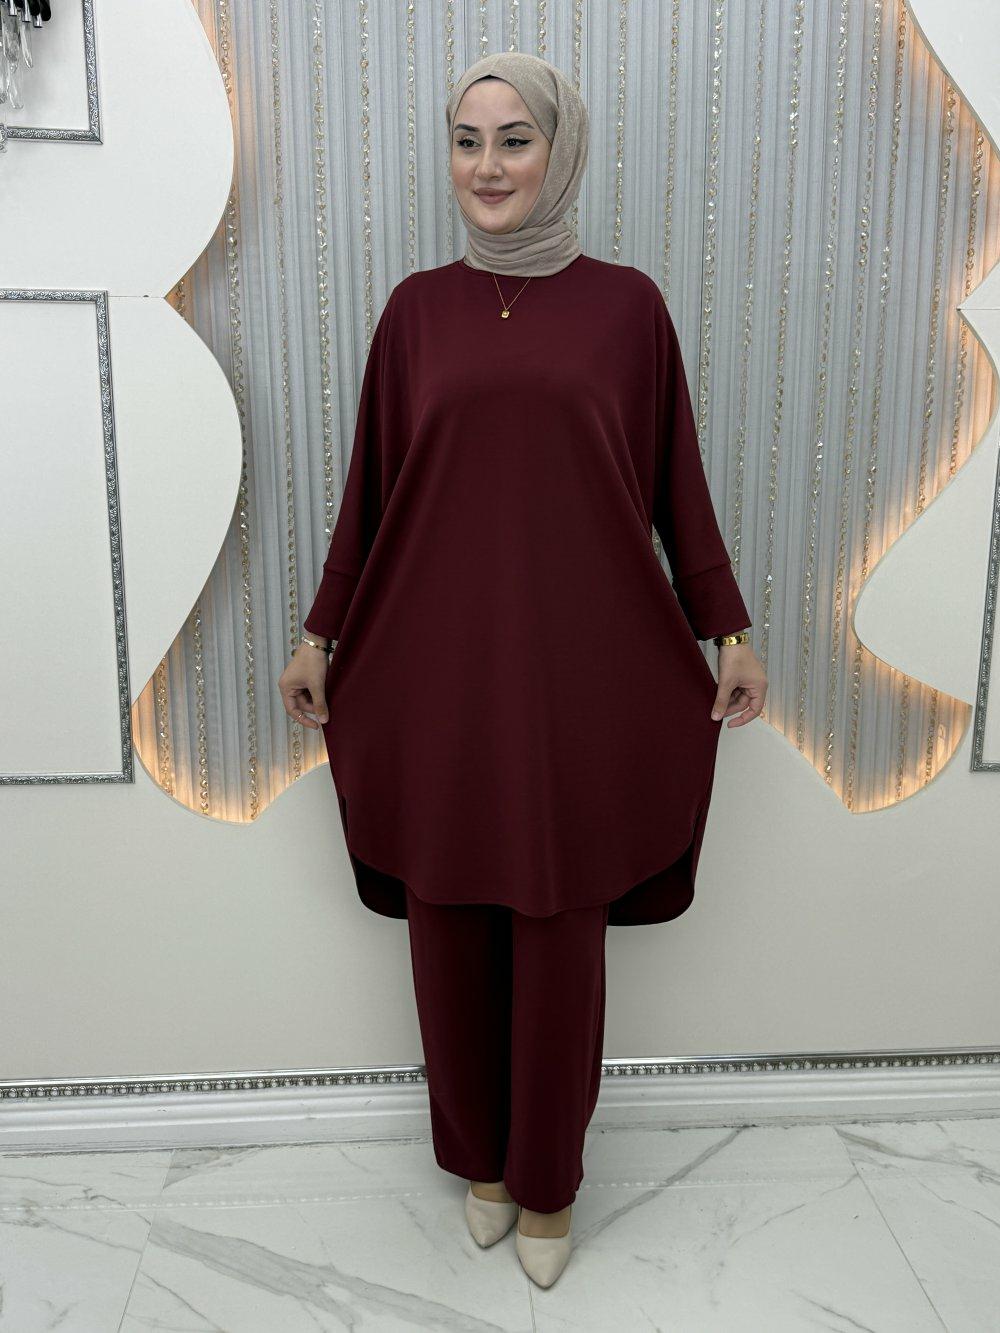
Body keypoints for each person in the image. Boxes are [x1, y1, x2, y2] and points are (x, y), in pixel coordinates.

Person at [278, 51, 767, 1288]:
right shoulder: (415, 313)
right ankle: (481, 1164)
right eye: (466, 140)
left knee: (556, 925)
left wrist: (726, 627)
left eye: (513, 139)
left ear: (560, 151)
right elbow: (371, 494)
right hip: (432, 665)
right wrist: (320, 633)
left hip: (577, 674)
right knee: (446, 916)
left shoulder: (627, 310)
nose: (486, 166)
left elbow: (673, 484)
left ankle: (547, 1177)